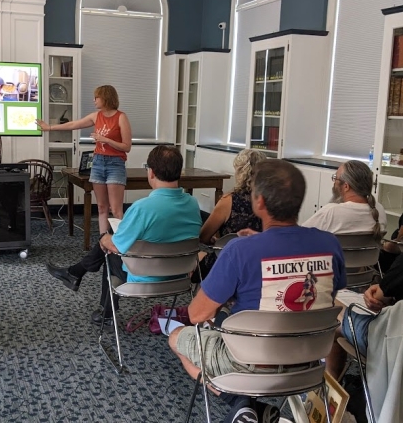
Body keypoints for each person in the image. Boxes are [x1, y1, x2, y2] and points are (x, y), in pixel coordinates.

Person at [169, 160, 346, 423]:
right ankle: (251, 408)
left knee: (176, 336)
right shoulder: (330, 245)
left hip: (249, 364)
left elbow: (196, 315)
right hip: (307, 361)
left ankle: (240, 402)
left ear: (259, 202)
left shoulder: (239, 251)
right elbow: (329, 294)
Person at [46, 146, 202, 327]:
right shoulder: (193, 204)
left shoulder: (143, 208)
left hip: (144, 276)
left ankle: (104, 309)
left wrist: (104, 238)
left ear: (150, 172)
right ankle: (75, 274)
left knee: (109, 248)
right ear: (179, 172)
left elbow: (116, 247)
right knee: (113, 241)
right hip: (180, 277)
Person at [36, 85, 131, 234]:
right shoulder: (96, 116)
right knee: (101, 207)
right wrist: (49, 128)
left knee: (116, 209)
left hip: (115, 164)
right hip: (98, 162)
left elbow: (126, 147)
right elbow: (74, 124)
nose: (94, 100)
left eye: (97, 97)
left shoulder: (121, 117)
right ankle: (103, 242)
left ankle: (121, 244)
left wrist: (105, 140)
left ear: (106, 98)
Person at [326, 255, 403, 422]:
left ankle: (329, 398)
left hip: (393, 339)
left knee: (331, 311)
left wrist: (384, 290)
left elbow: (383, 291)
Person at [197, 149, 266, 281]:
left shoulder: (229, 200)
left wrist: (218, 241)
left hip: (228, 264)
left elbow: (203, 237)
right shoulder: (272, 201)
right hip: (260, 265)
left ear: (240, 172)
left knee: (197, 256)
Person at [302, 160, 387, 238]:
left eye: (336, 178)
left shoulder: (331, 212)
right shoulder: (379, 209)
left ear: (346, 186)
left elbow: (298, 236)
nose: (334, 182)